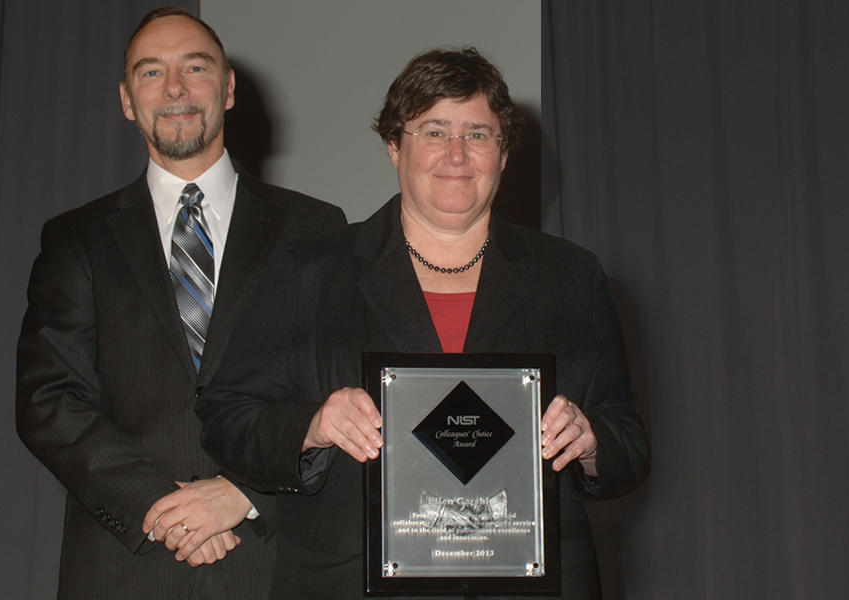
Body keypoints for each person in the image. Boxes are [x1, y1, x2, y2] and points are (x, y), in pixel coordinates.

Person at [194, 47, 649, 599]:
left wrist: (592, 440)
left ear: (504, 154)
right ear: (394, 146)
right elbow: (225, 418)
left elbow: (629, 442)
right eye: (434, 131)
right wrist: (312, 426)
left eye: (479, 134)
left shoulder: (571, 277)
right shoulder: (308, 271)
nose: (457, 154)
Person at [15, 6, 344, 599]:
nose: (174, 89)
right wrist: (161, 505)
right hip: (124, 567)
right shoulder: (76, 239)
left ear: (229, 87)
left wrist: (243, 492)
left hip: (271, 563)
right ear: (125, 98)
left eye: (195, 67)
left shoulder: (316, 228)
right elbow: (50, 401)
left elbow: (333, 393)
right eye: (150, 72)